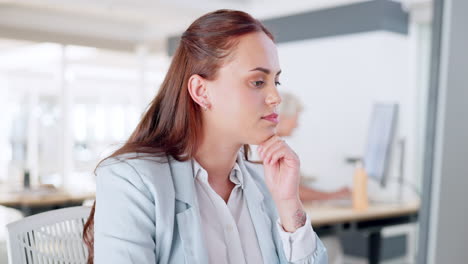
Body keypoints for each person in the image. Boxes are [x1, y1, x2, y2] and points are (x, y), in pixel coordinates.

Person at [83, 10, 327, 264]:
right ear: (201, 91)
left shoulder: (265, 184)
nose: (275, 97)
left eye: (275, 81)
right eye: (257, 82)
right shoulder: (132, 180)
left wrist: (289, 204)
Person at [275, 92, 351, 202]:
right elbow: (289, 191)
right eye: (296, 118)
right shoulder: (266, 149)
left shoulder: (276, 146)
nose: (297, 124)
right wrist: (331, 196)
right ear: (282, 117)